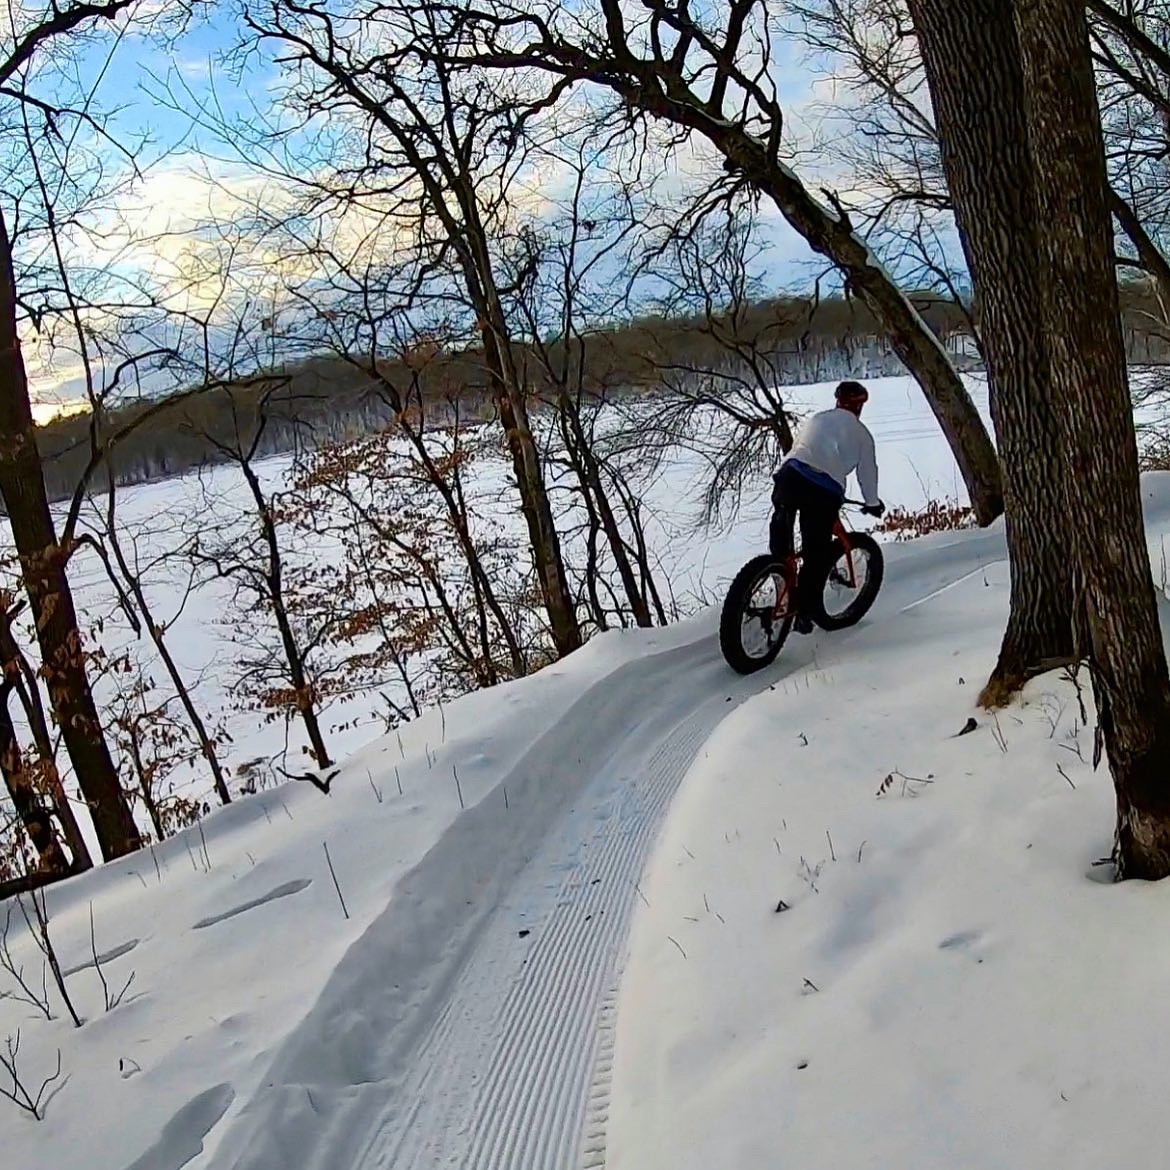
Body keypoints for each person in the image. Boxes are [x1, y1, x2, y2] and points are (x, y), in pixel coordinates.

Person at [769, 380, 885, 634]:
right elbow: (867, 473)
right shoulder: (862, 435)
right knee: (816, 554)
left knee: (781, 537)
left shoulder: (818, 419)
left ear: (838, 401)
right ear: (860, 407)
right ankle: (804, 613)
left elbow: (801, 447)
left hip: (789, 476)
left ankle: (776, 574)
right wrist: (872, 503)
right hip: (823, 490)